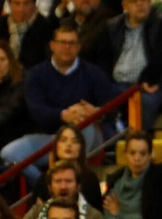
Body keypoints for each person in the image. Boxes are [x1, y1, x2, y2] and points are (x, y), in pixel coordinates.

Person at [6, 23, 117, 172]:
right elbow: (36, 109)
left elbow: (113, 107)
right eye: (62, 43)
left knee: (83, 126)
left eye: (71, 43)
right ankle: (45, 184)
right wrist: (63, 115)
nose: (67, 47)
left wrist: (97, 112)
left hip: (85, 135)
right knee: (9, 154)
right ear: (52, 45)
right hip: (49, 137)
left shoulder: (94, 73)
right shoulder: (36, 74)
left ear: (78, 47)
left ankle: (75, 180)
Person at [91, 0, 162, 127]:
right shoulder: (112, 26)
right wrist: (104, 86)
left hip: (150, 85)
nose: (140, 4)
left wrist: (145, 80)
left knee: (145, 102)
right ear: (125, 6)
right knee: (97, 101)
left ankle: (135, 143)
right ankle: (115, 140)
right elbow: (104, 60)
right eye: (134, 1)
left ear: (150, 1)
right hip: (118, 85)